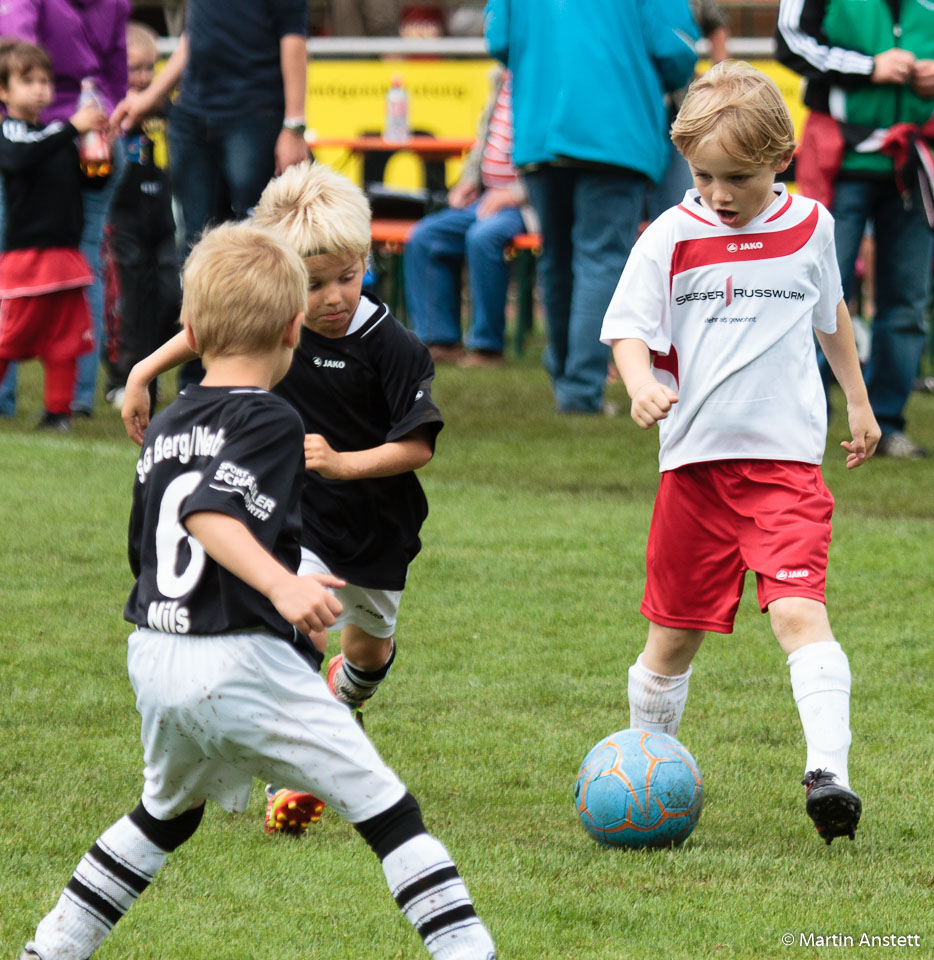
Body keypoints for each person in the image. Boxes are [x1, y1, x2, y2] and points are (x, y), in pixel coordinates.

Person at [16, 220, 496, 960]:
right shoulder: (271, 418)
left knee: (163, 817)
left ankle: (50, 948)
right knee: (390, 814)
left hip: (156, 651)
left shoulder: (172, 422)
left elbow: (149, 545)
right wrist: (283, 586)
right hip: (235, 662)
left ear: (193, 330)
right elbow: (210, 512)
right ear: (291, 327)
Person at [601, 61, 881, 845]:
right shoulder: (670, 237)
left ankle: (829, 773)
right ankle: (647, 769)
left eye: (740, 178)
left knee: (798, 610)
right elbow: (628, 327)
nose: (720, 194)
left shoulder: (812, 226)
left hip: (786, 465)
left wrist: (856, 400)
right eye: (705, 176)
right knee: (672, 637)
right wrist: (637, 384)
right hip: (692, 470)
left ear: (780, 161)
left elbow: (832, 315)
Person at [121, 161, 443, 834]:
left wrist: (345, 463)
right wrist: (145, 369)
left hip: (377, 526)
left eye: (345, 279)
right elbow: (212, 328)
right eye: (313, 283)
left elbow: (418, 447)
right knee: (297, 626)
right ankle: (288, 775)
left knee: (367, 653)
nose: (330, 298)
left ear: (368, 261)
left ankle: (341, 701)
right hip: (297, 517)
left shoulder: (395, 346)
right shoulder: (277, 322)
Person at [484, 0, 698, 414]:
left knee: (558, 258)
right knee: (600, 258)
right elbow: (677, 48)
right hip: (616, 131)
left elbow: (498, 37)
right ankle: (581, 389)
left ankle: (566, 377)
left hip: (540, 127)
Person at [111, 0, 310, 387]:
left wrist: (294, 125)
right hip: (191, 116)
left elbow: (294, 43)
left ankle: (262, 364)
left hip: (253, 113)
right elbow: (191, 40)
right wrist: (152, 97)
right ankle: (198, 371)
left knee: (258, 245)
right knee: (197, 247)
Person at [776, 0, 934, 458]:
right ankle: (803, 417)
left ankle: (886, 423)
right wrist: (868, 67)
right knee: (811, 293)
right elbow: (789, 41)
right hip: (838, 162)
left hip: (916, 163)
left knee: (907, 302)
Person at [0, 0, 130, 419]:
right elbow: (19, 157)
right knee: (9, 333)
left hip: (64, 255)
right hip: (26, 256)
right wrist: (73, 127)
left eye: (44, 80)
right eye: (30, 81)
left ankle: (64, 408)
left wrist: (99, 157)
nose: (41, 88)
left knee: (67, 336)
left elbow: (86, 180)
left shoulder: (57, 131)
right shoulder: (13, 131)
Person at [404, 65, 535, 367]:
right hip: (486, 197)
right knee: (425, 236)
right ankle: (439, 339)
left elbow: (550, 157)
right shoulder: (502, 78)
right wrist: (469, 181)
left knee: (483, 237)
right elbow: (484, 142)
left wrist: (515, 193)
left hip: (527, 204)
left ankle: (487, 347)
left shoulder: (546, 77)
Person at [103, 21, 180, 412]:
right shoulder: (112, 107)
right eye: (136, 68)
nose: (145, 77)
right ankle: (123, 377)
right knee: (130, 301)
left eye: (151, 68)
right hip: (123, 217)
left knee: (171, 294)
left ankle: (151, 369)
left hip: (162, 216)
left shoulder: (166, 106)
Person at [645, 0, 730, 221]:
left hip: (676, 112)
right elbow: (674, 52)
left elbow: (713, 21)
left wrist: (718, 73)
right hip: (636, 114)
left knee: (675, 207)